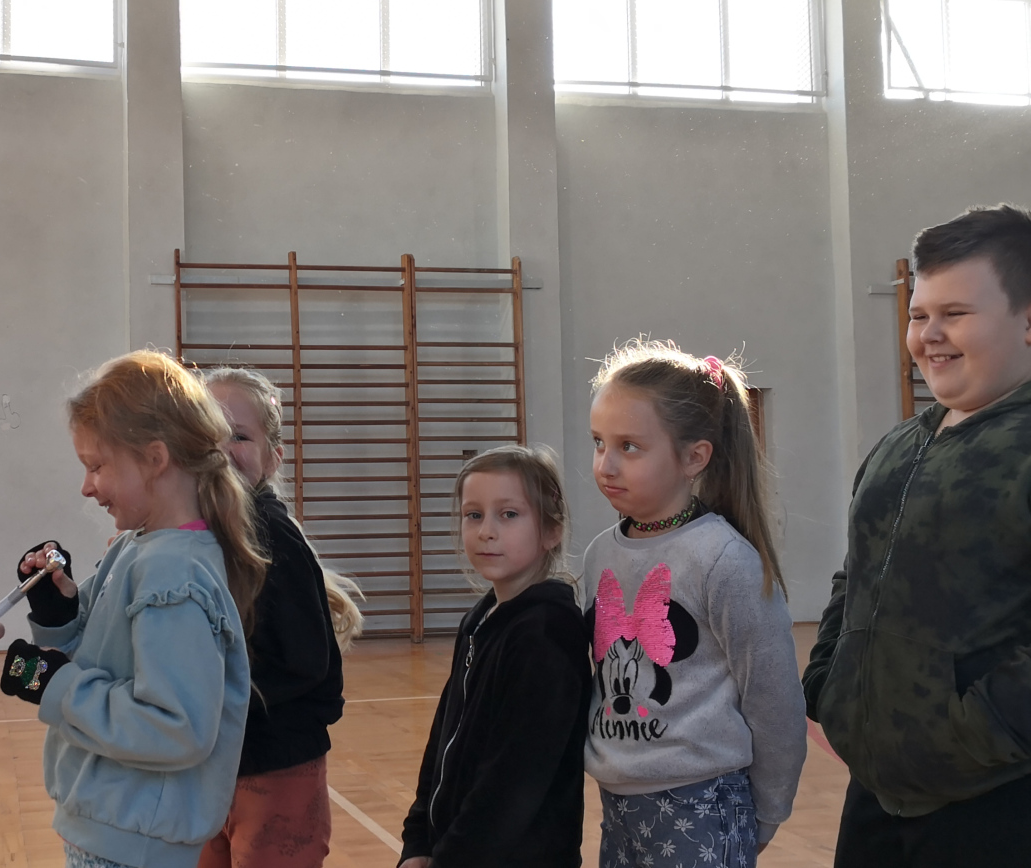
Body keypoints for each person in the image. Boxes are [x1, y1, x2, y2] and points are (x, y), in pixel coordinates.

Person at [803, 205, 1031, 867]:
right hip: (887, 793)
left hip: (1030, 789)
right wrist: (829, 685)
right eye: (919, 314)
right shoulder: (898, 447)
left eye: (955, 313)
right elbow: (857, 574)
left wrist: (983, 728)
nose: (928, 335)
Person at [3, 350, 268, 868]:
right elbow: (103, 661)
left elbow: (175, 727)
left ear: (154, 459)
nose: (87, 486)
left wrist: (55, 685)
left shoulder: (173, 571)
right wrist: (58, 615)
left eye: (96, 466)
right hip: (109, 828)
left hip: (129, 844)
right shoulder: (138, 547)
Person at [581, 341, 805, 868]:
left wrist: (768, 810)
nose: (606, 464)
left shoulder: (722, 559)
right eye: (598, 443)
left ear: (693, 457)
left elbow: (774, 700)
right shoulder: (599, 554)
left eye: (629, 446)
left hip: (703, 803)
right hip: (619, 805)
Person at [399, 444, 591, 868]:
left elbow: (512, 784)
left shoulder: (547, 634)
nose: (487, 530)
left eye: (508, 514)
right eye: (474, 515)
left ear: (552, 531)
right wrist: (418, 842)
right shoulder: (480, 619)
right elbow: (441, 743)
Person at [198, 367, 359, 868]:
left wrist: (212, 700)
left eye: (240, 437)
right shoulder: (190, 536)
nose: (223, 450)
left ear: (273, 457)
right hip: (208, 767)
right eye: (209, 435)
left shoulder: (270, 533)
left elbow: (307, 665)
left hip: (273, 767)